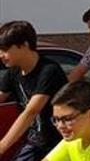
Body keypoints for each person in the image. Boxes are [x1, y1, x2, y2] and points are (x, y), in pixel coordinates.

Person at [0, 20, 67, 161]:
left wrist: (2, 147)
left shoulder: (49, 71)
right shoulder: (13, 72)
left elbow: (31, 111)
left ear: (24, 45)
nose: (1, 55)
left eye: (5, 50)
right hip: (34, 142)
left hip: (59, 141)